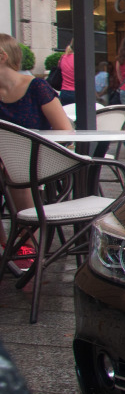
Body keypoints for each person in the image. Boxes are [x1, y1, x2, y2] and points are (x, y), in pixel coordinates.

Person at [0, 33, 74, 269]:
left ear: (2, 57)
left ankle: (24, 246)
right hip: (5, 162)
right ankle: (5, 247)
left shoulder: (37, 87)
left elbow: (65, 132)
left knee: (15, 170)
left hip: (37, 159)